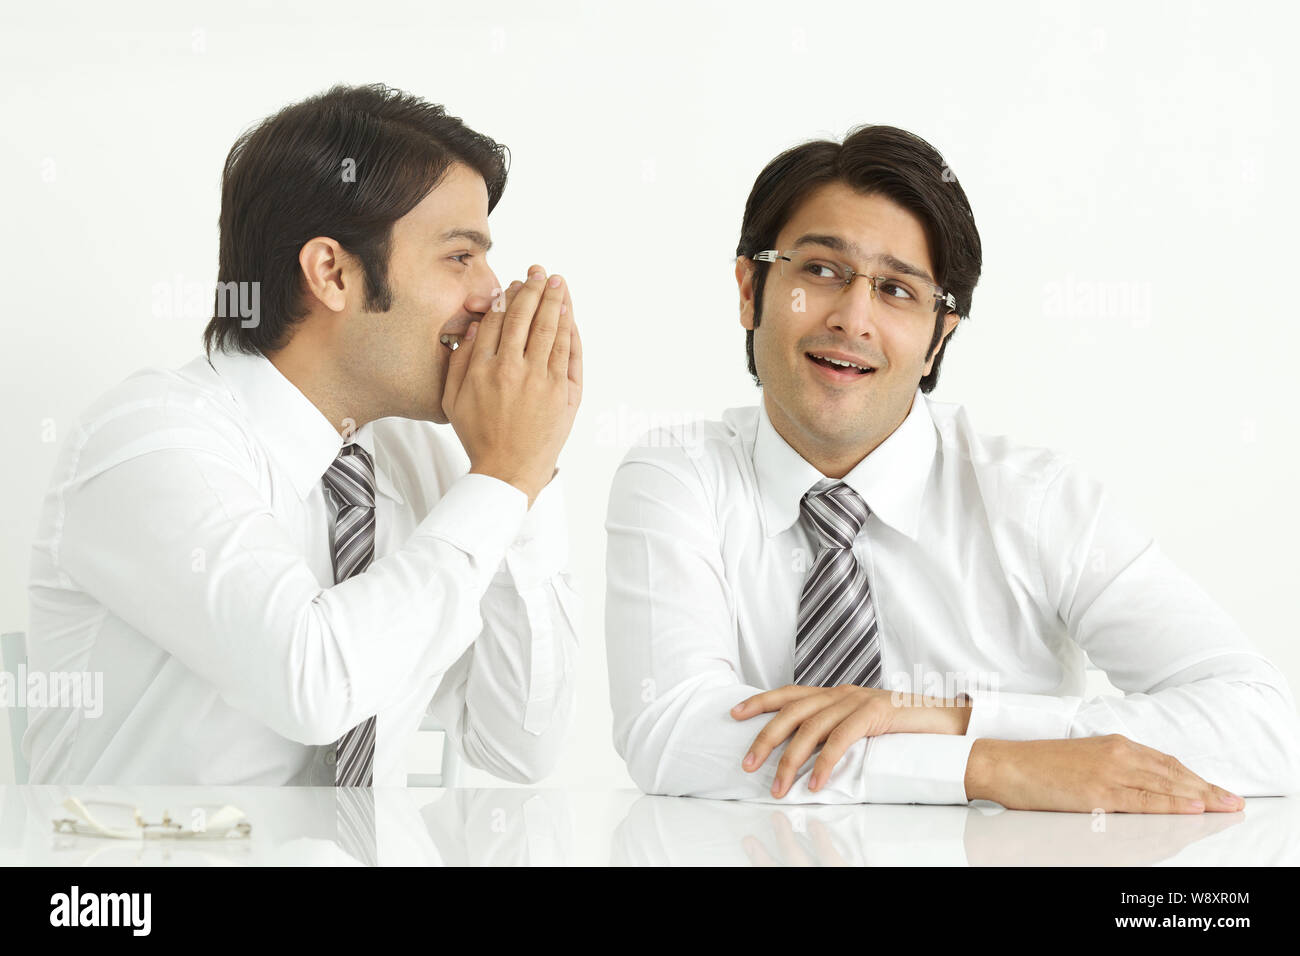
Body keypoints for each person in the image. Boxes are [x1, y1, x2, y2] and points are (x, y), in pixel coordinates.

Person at [605, 124, 1300, 811]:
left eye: (898, 290)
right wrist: (990, 767)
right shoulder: (678, 476)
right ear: (749, 289)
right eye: (820, 271)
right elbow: (672, 732)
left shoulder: (1036, 500)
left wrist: (949, 718)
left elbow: (1267, 728)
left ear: (941, 338)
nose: (852, 317)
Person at [26, 83, 582, 786]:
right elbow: (313, 686)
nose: (490, 294)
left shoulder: (423, 462)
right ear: (333, 272)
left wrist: (525, 480)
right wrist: (502, 476)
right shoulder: (150, 443)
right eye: (459, 256)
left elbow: (517, 747)